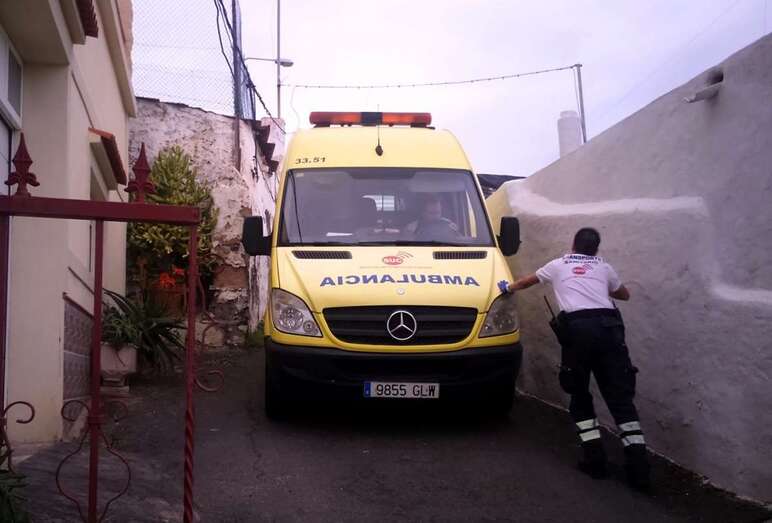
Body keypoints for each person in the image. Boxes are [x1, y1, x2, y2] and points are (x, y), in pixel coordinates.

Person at [498, 227, 650, 490]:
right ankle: (640, 472)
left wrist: (507, 287)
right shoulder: (604, 267)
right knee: (620, 397)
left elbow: (525, 282)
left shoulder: (559, 264)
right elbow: (624, 294)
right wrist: (599, 286)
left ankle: (595, 462)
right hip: (609, 329)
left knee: (579, 393)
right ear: (596, 249)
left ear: (573, 244)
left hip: (578, 332)